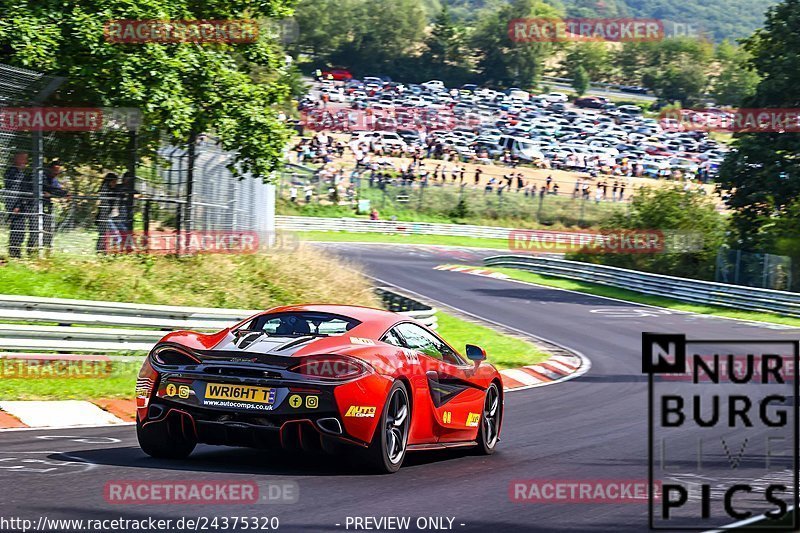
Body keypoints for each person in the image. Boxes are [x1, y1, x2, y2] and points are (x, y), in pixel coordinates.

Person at [4, 152, 33, 258]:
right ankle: (14, 253)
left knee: (21, 229)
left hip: (20, 204)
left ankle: (16, 252)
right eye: (23, 159)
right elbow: (13, 190)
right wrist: (15, 206)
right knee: (17, 228)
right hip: (15, 205)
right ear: (17, 159)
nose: (25, 162)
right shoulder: (12, 172)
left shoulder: (21, 173)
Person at [42, 161, 69, 251]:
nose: (56, 173)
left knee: (49, 227)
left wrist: (65, 193)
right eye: (55, 171)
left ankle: (47, 248)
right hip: (37, 205)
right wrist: (60, 193)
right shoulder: (42, 177)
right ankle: (35, 248)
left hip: (47, 205)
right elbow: (50, 189)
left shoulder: (54, 179)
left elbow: (56, 190)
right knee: (37, 227)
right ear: (50, 169)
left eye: (58, 171)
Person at [95, 173, 120, 253]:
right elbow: (105, 203)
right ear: (110, 181)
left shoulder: (114, 190)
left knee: (106, 235)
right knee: (105, 235)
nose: (116, 183)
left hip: (108, 216)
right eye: (114, 181)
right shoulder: (105, 189)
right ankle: (101, 252)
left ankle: (105, 252)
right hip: (104, 216)